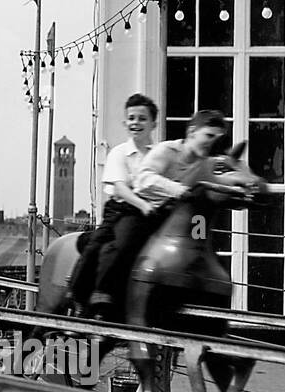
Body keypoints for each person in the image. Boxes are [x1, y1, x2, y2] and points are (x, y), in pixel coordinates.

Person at [89, 108, 228, 318]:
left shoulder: (206, 163)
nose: (211, 142)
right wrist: (176, 189)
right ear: (192, 132)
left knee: (202, 246)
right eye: (208, 136)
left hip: (177, 217)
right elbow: (143, 179)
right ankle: (104, 295)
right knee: (126, 242)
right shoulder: (167, 151)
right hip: (144, 209)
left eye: (217, 138)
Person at [68, 94, 159, 311]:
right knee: (104, 244)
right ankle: (86, 291)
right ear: (125, 123)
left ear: (153, 123)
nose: (136, 123)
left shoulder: (159, 154)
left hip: (150, 211)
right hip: (121, 208)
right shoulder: (119, 153)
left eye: (142, 119)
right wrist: (143, 205)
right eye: (132, 118)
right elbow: (120, 188)